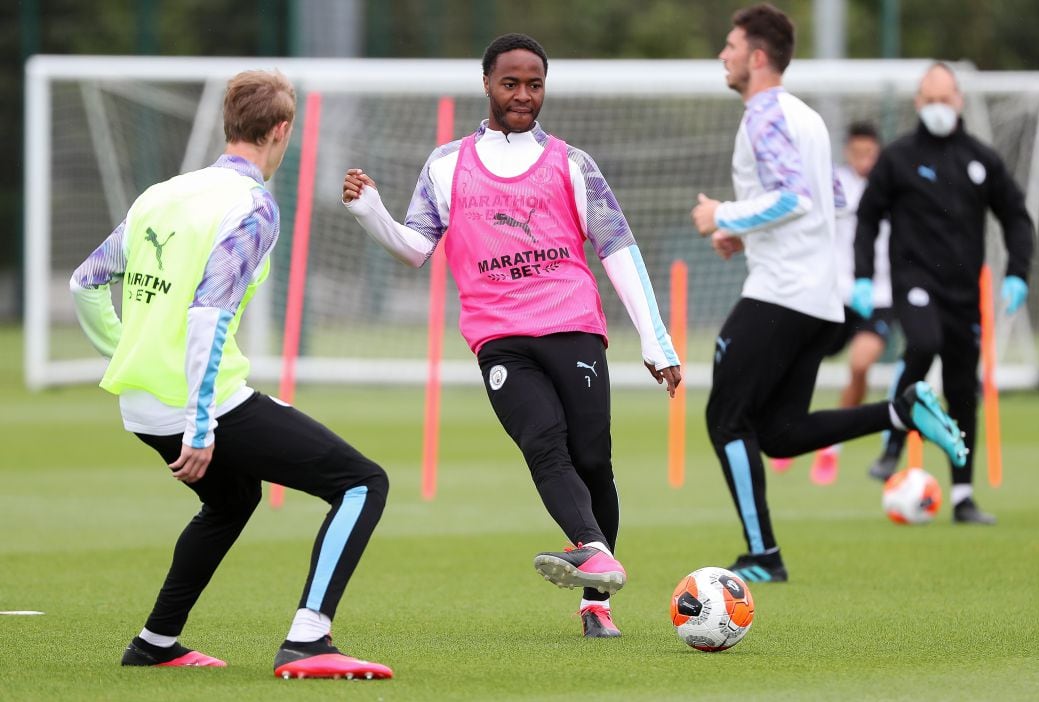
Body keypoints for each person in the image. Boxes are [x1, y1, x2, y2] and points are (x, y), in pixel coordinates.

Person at [341, 33, 681, 638]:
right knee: (543, 444)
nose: (523, 95)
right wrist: (371, 213)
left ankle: (596, 598)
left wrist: (656, 343)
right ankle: (599, 564)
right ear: (487, 84)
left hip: (574, 326)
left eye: (534, 84)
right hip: (498, 339)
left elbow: (617, 249)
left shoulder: (573, 164)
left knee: (593, 462)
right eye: (511, 83)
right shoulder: (446, 164)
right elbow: (416, 248)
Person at [70, 70, 393, 680]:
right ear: (281, 130)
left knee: (232, 498)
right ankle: (308, 640)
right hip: (199, 406)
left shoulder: (160, 195)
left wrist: (131, 355)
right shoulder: (252, 206)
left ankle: (154, 642)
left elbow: (85, 283)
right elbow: (209, 315)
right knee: (361, 483)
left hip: (141, 403)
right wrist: (198, 423)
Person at [690, 4, 967, 583]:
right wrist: (744, 239)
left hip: (781, 295)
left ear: (758, 57)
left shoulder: (763, 115)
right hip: (820, 298)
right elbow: (833, 204)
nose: (724, 54)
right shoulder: (808, 118)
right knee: (779, 434)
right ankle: (903, 409)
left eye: (732, 46)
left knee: (725, 420)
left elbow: (796, 199)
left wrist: (725, 214)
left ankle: (763, 555)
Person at [853, 62, 1035, 525]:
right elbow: (868, 218)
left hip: (963, 292)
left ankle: (962, 497)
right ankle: (895, 437)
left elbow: (1015, 216)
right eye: (928, 99)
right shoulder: (897, 157)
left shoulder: (980, 159)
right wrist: (860, 275)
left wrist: (1017, 272)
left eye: (944, 97)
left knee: (961, 389)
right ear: (918, 103)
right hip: (913, 281)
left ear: (959, 100)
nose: (937, 107)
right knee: (924, 343)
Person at [807, 121, 894, 486]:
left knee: (861, 365)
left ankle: (832, 447)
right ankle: (789, 425)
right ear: (848, 152)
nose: (864, 160)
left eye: (870, 153)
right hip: (837, 293)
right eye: (857, 153)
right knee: (803, 357)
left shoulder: (892, 185)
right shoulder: (834, 184)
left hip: (881, 295)